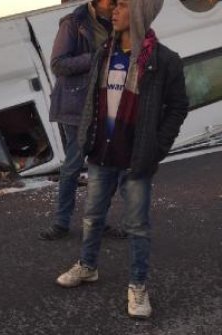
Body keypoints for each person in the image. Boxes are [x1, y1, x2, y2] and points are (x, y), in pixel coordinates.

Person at [56, 0, 189, 319]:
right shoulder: (104, 52)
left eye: (123, 5)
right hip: (102, 153)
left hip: (136, 158)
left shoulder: (164, 60)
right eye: (113, 6)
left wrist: (156, 149)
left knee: (138, 227)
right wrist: (86, 134)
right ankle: (88, 266)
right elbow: (93, 99)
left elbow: (178, 107)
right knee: (92, 217)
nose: (113, 11)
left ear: (141, 12)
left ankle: (138, 285)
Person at [39, 0, 129, 241]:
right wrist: (96, 58)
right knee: (73, 165)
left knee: (106, 165)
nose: (114, 7)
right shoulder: (73, 24)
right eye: (111, 3)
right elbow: (58, 64)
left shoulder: (118, 22)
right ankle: (61, 223)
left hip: (107, 104)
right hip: (77, 106)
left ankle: (98, 221)